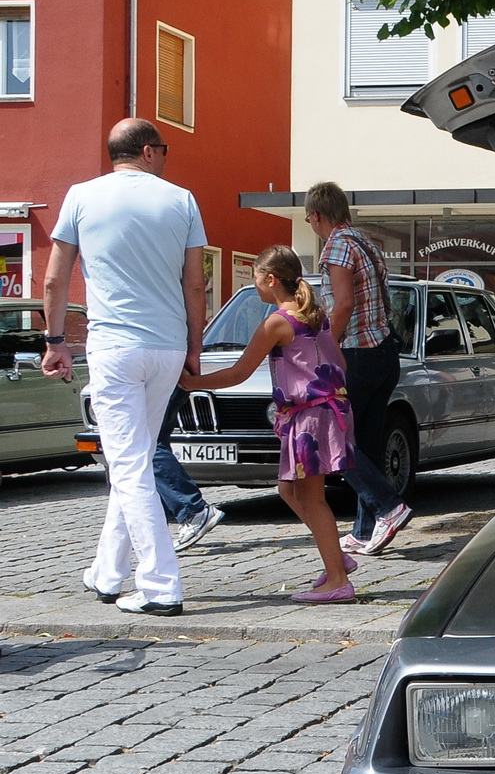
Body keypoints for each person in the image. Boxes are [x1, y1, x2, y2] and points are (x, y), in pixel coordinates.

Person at [41, 118, 205, 616]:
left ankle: (160, 586)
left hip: (115, 347)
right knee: (134, 457)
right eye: (167, 149)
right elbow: (195, 284)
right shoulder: (182, 200)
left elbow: (54, 278)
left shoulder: (81, 196)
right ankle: (108, 573)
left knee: (129, 463)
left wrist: (55, 341)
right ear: (150, 152)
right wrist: (194, 349)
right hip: (168, 345)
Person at [186, 246, 358, 603]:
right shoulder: (316, 315)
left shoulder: (277, 322)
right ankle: (335, 557)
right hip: (328, 411)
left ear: (270, 279)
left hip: (308, 415)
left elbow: (238, 372)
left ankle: (338, 580)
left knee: (312, 498)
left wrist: (189, 383)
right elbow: (339, 360)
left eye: (255, 279)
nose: (255, 286)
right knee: (288, 490)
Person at [304, 183, 412, 557]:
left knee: (333, 441)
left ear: (317, 215)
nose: (310, 224)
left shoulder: (336, 245)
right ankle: (366, 530)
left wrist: (325, 352)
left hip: (356, 354)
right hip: (384, 354)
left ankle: (388, 506)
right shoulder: (367, 242)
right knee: (365, 442)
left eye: (309, 218)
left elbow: (344, 303)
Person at [155, 390, 225, 551]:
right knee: (154, 444)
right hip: (168, 378)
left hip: (161, 379)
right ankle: (154, 531)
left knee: (149, 445)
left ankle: (193, 510)